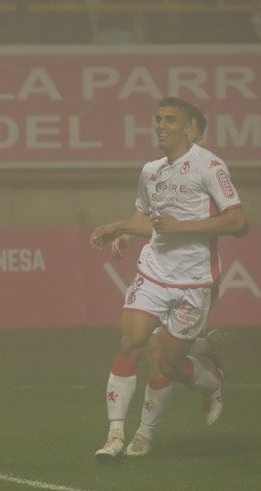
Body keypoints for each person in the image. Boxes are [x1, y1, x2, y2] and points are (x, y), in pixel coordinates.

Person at [88, 98, 245, 462]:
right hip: (154, 272)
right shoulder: (151, 170)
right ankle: (115, 436)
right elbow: (145, 216)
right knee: (132, 343)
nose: (161, 125)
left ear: (189, 129)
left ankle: (208, 383)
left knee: (167, 364)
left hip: (194, 281)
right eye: (158, 118)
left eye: (170, 120)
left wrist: (181, 227)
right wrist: (124, 230)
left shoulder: (210, 165)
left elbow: (239, 223)